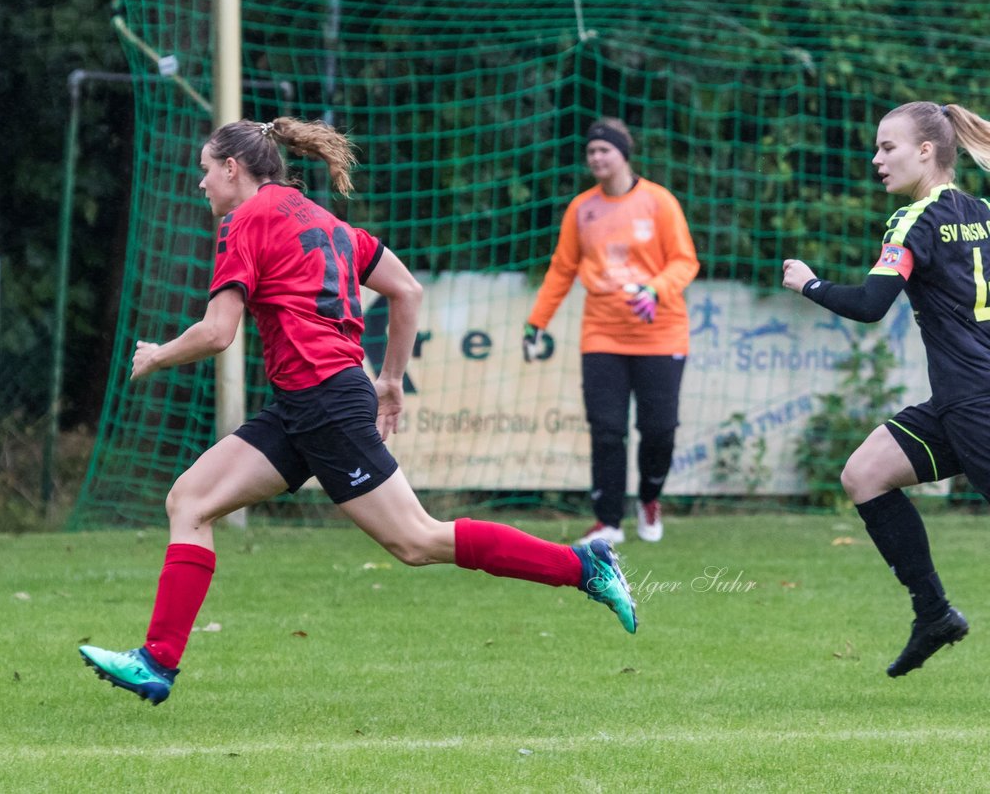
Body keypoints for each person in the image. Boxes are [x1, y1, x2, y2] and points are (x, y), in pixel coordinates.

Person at [79, 117, 637, 706]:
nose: (201, 185)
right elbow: (407, 290)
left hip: (325, 401)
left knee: (418, 541)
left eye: (204, 171)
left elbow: (219, 332)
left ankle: (584, 565)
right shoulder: (326, 221)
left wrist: (158, 354)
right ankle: (156, 662)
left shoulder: (245, 220)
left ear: (232, 169)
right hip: (307, 400)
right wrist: (389, 379)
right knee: (189, 501)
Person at [782, 101, 990, 678]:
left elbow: (872, 305)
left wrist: (811, 283)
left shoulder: (913, 220)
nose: (876, 159)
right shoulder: (984, 212)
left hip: (975, 401)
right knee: (865, 474)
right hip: (957, 402)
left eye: (887, 147)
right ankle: (934, 614)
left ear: (926, 150)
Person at [523, 118, 699, 546]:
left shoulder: (659, 202)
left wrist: (654, 289)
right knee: (606, 429)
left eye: (605, 150)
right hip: (601, 334)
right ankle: (608, 522)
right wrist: (537, 323)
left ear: (624, 153)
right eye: (591, 152)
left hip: (661, 333)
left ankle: (650, 498)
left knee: (659, 430)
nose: (597, 158)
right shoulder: (582, 208)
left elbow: (684, 261)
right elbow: (563, 269)